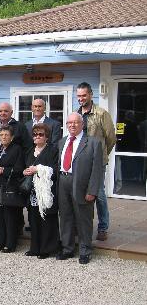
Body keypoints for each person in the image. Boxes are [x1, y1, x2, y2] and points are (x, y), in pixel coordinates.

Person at [57, 113, 103, 264]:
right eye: (69, 122)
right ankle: (67, 248)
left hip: (82, 185)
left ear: (82, 124)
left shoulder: (93, 143)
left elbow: (97, 170)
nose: (72, 125)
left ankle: (85, 250)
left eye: (76, 122)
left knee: (83, 219)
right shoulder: (62, 142)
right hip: (63, 181)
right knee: (65, 217)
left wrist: (92, 191)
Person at [76, 82, 116, 242]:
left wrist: (101, 156)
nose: (81, 99)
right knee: (80, 193)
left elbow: (111, 138)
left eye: (83, 95)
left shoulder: (101, 114)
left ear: (91, 95)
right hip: (79, 161)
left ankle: (103, 227)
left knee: (98, 194)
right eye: (78, 96)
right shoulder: (76, 114)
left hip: (97, 163)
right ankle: (81, 226)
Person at [22, 123, 60, 259]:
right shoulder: (29, 151)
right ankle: (35, 248)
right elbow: (24, 167)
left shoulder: (53, 150)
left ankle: (46, 249)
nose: (37, 137)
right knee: (33, 220)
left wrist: (38, 169)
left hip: (46, 192)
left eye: (41, 134)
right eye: (35, 134)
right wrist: (26, 171)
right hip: (33, 192)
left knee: (47, 220)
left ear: (47, 137)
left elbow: (55, 170)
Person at [0, 125, 25, 253]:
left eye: (6, 135)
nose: (3, 137)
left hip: (10, 187)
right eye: (1, 135)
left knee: (9, 217)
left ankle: (10, 244)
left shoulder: (17, 149)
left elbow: (19, 169)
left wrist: (3, 169)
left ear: (12, 137)